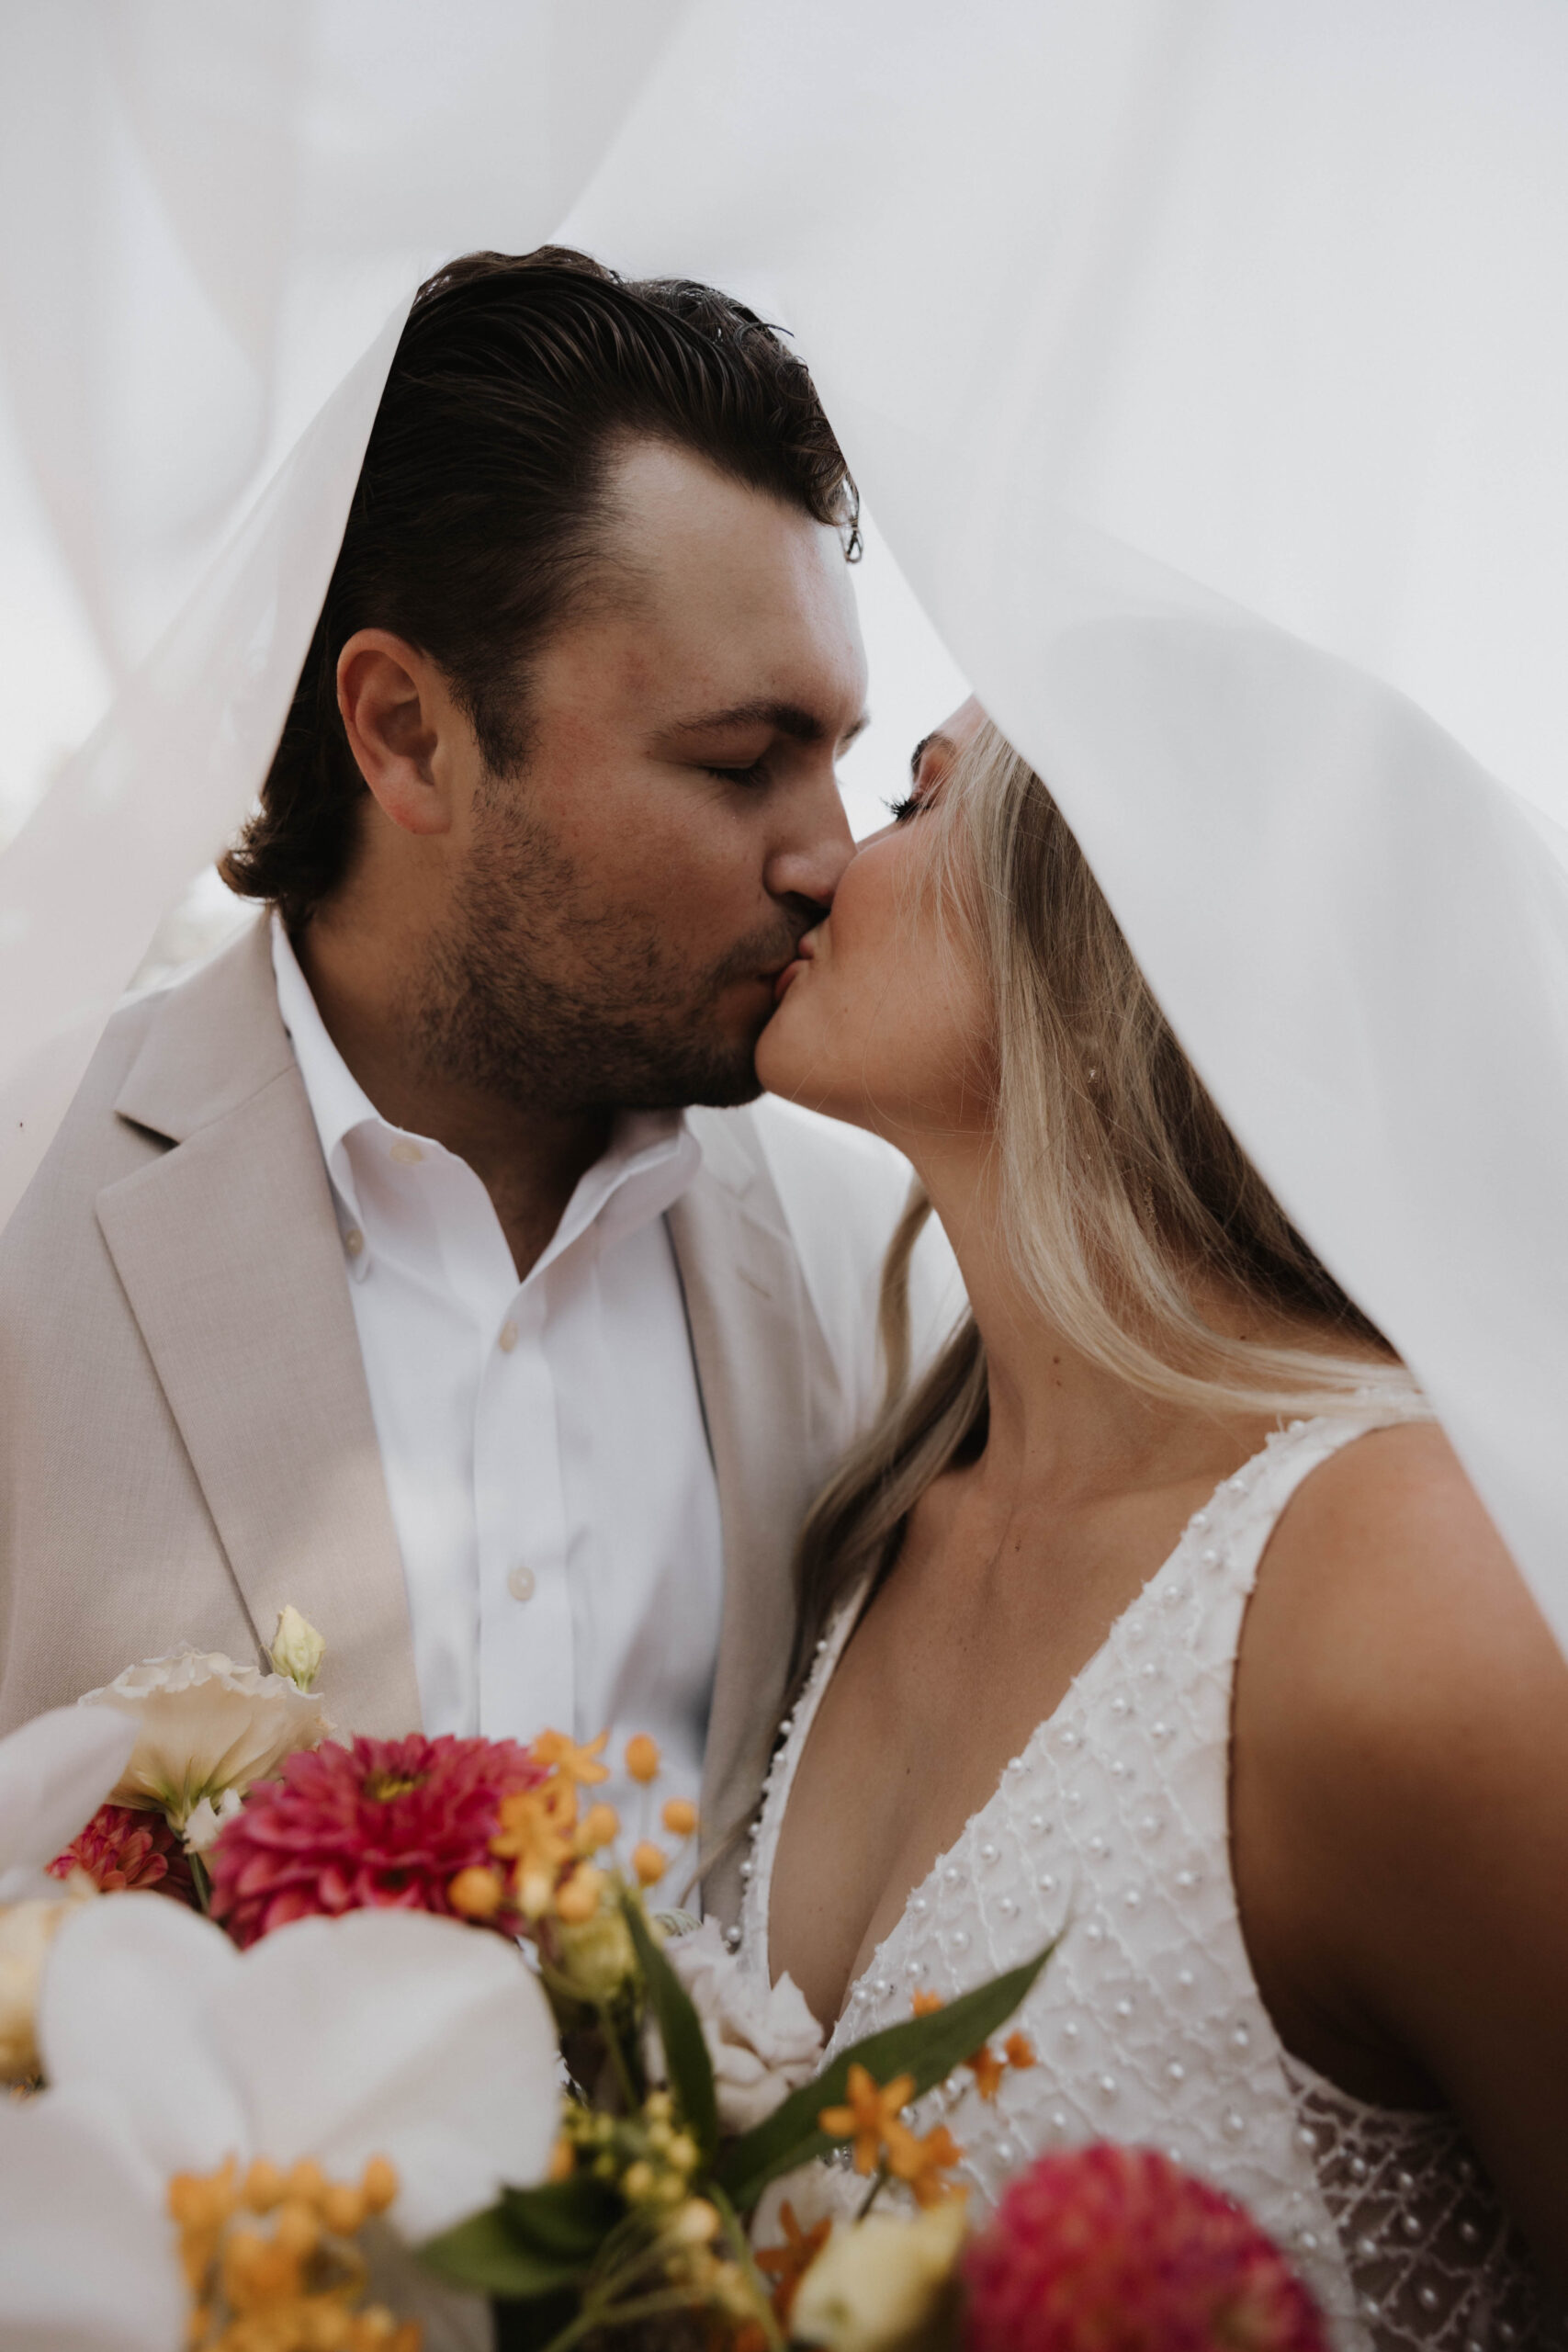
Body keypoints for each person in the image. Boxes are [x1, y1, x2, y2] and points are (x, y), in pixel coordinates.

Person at [0, 248, 952, 1860]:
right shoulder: (31, 1186)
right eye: (741, 762)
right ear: (404, 733)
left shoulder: (869, 1271)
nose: (830, 855)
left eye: (842, 757)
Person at [746, 701, 1568, 2340]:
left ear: (1111, 936)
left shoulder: (1397, 1583)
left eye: (917, 803)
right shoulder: (882, 1514)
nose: (825, 862)